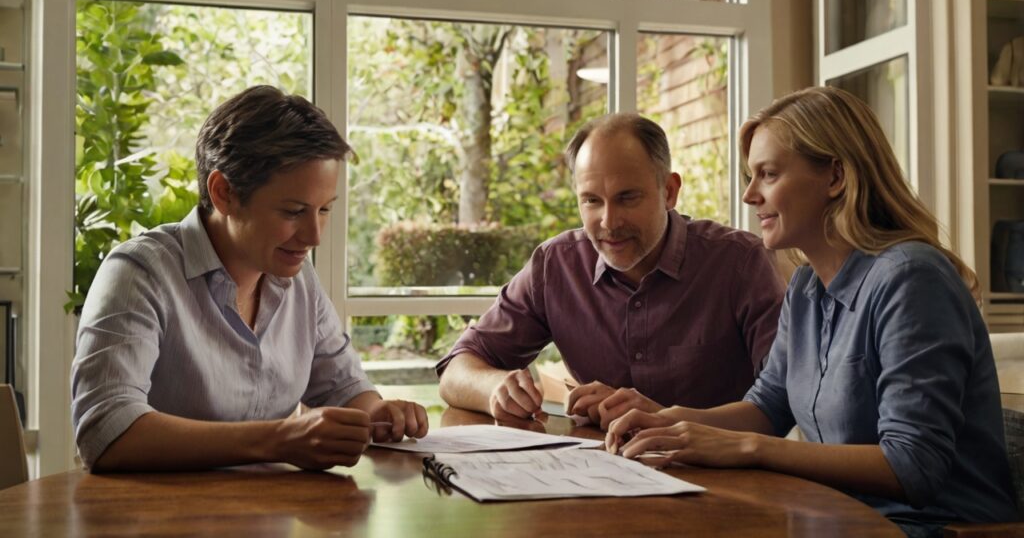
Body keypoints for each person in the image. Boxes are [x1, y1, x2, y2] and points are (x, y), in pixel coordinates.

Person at [606, 87, 1018, 536]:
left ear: (836, 176)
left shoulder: (912, 279)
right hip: (836, 518)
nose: (749, 195)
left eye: (767, 174)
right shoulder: (805, 286)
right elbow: (768, 406)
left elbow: (913, 465)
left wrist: (747, 448)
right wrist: (670, 421)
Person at [71, 86, 428, 472]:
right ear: (223, 193)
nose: (314, 237)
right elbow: (105, 431)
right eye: (294, 211)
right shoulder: (139, 273)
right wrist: (281, 439)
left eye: (324, 209)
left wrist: (379, 413)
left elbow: (342, 387)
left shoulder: (297, 276)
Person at [436, 113, 785, 429]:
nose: (608, 222)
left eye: (627, 198)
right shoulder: (556, 265)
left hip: (726, 483)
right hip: (602, 478)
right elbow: (456, 371)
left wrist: (663, 419)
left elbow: (782, 405)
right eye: (591, 200)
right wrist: (495, 387)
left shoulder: (740, 263)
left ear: (669, 191)